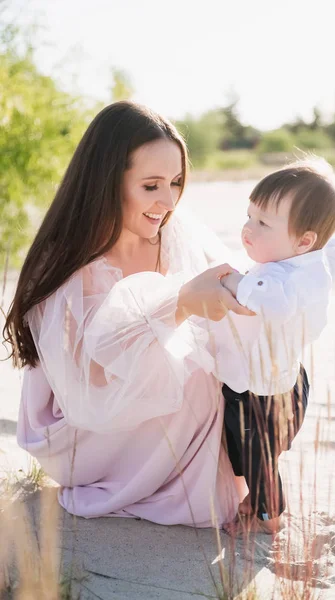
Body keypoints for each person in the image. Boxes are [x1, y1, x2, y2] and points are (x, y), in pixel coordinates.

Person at [2, 101, 256, 528]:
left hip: (142, 407)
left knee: (232, 366)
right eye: (151, 185)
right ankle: (168, 491)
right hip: (80, 426)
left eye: (175, 182)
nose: (168, 201)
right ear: (108, 182)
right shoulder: (68, 260)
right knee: (191, 376)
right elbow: (93, 385)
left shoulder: (172, 232)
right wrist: (179, 304)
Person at [209, 160, 335, 534]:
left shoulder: (275, 279)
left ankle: (268, 517)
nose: (247, 230)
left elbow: (270, 300)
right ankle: (256, 499)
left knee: (255, 455)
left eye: (263, 224)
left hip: (261, 391)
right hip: (292, 381)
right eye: (249, 216)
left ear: (304, 240)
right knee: (262, 453)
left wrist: (232, 279)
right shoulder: (316, 261)